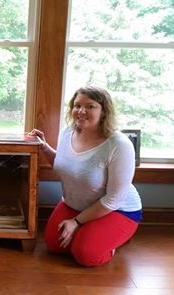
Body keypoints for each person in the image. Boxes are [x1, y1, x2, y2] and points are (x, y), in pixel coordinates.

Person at [30, 85, 142, 267]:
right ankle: (90, 233)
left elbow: (113, 200)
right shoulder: (68, 133)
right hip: (75, 203)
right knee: (53, 245)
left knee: (86, 254)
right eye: (77, 105)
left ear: (104, 111)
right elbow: (65, 165)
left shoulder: (119, 145)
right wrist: (43, 147)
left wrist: (76, 222)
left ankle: (112, 243)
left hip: (116, 209)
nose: (81, 111)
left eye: (90, 106)